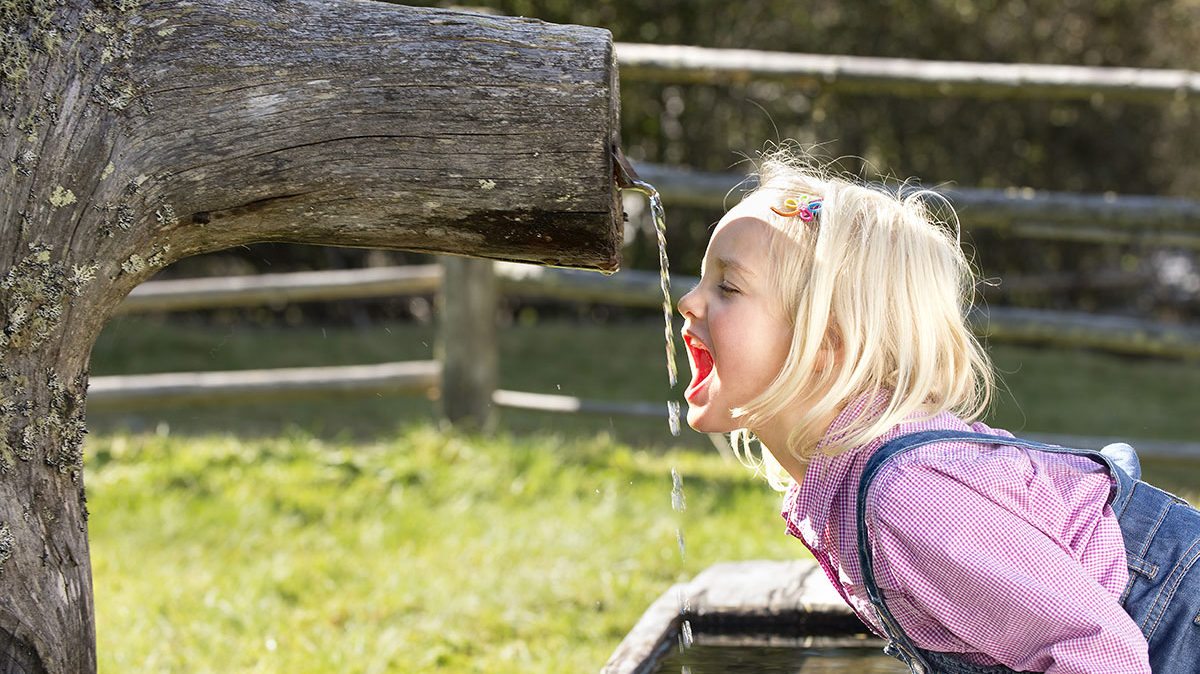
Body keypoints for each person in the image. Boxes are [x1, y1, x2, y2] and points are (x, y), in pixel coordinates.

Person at [676, 147, 1200, 674]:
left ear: (826, 344)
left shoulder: (903, 497)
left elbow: (1099, 652)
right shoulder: (852, 476)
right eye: (701, 279)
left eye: (728, 286)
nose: (688, 301)